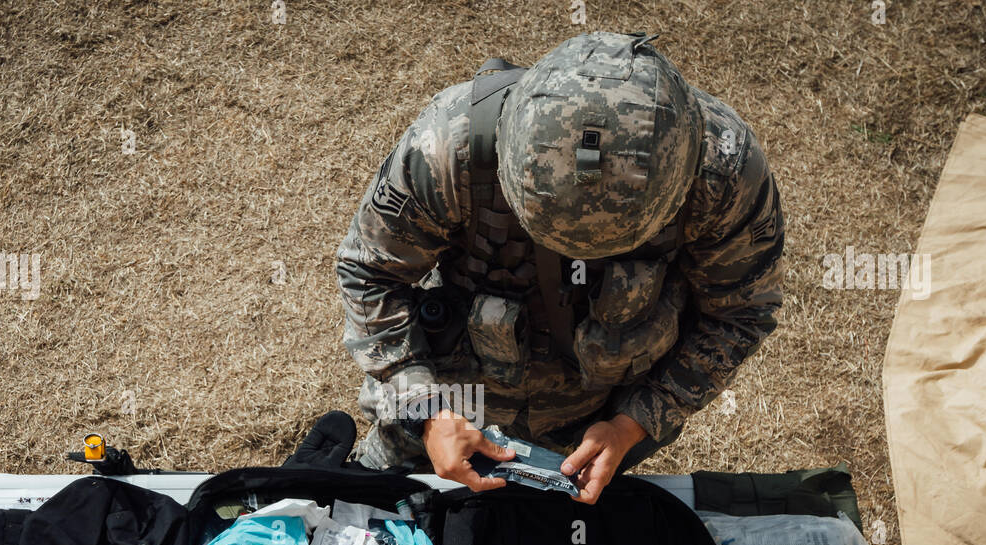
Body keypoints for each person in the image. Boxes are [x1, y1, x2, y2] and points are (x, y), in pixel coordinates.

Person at [336, 31, 784, 504]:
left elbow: (738, 315)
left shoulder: (724, 174)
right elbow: (370, 274)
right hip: (455, 395)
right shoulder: (450, 145)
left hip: (598, 420)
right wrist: (426, 411)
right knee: (381, 504)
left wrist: (632, 424)